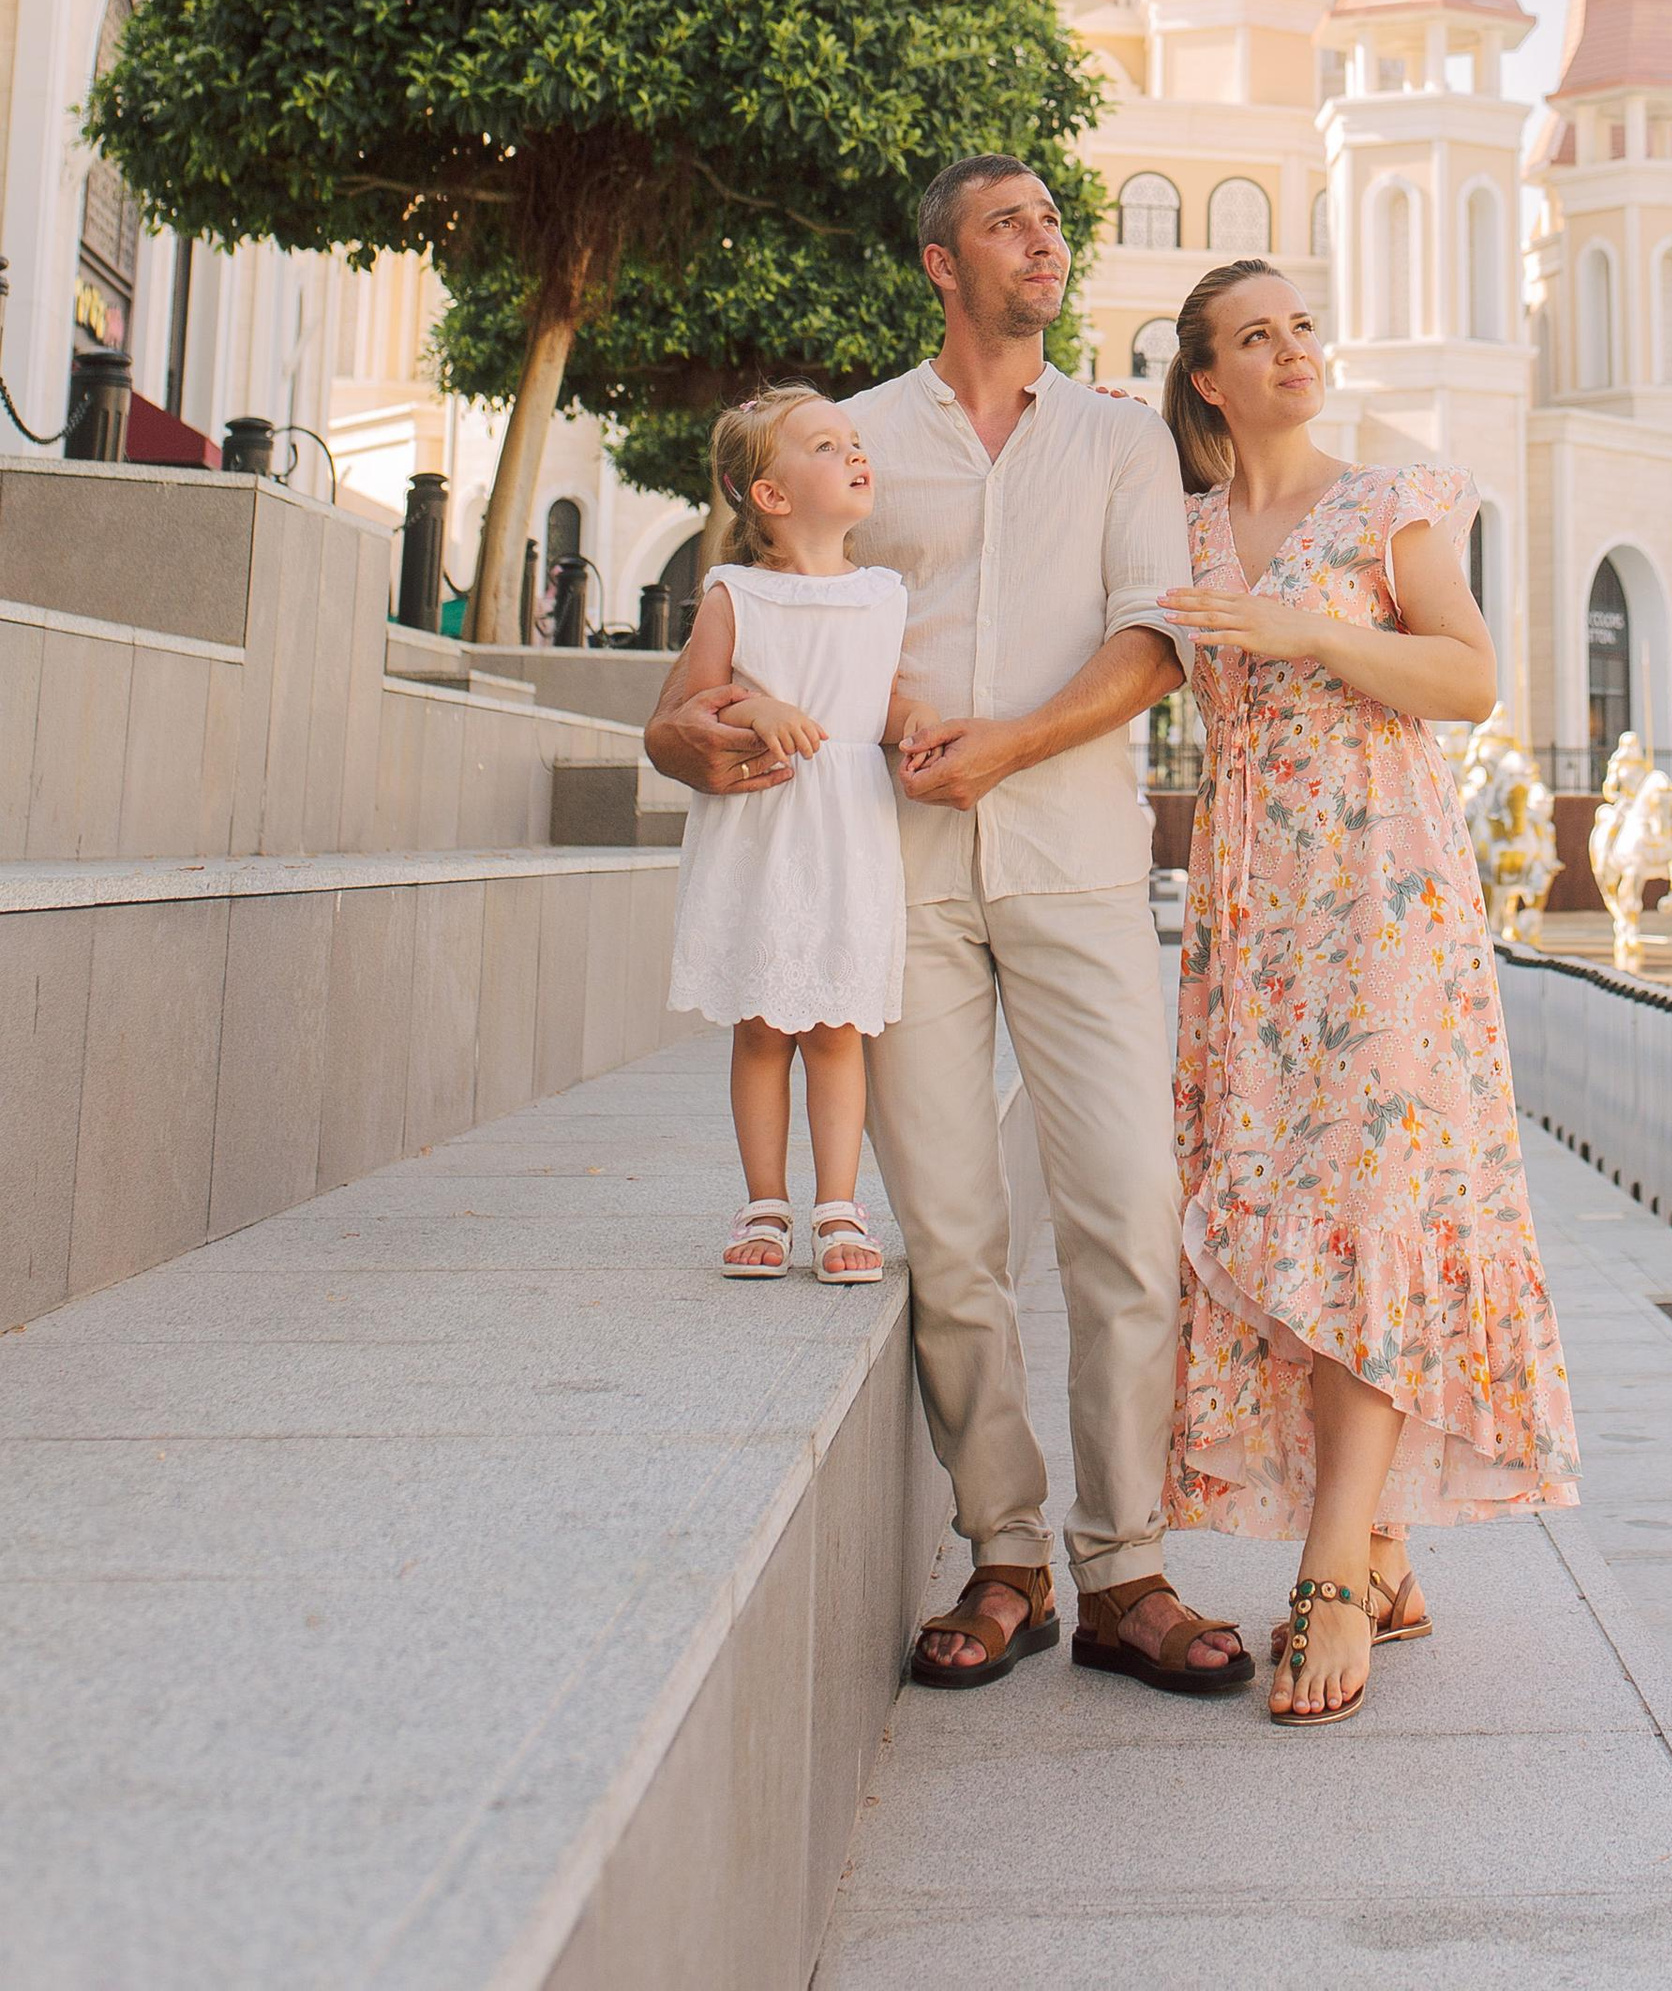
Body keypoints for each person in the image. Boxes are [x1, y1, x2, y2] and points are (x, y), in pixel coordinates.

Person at [647, 156, 1252, 1702]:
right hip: (890, 875)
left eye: (1055, 222)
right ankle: (1008, 1554)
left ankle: (1131, 1568)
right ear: (939, 262)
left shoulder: (1123, 440)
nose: (1046, 241)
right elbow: (780, 631)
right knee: (955, 1237)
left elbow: (1157, 642)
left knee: (1124, 1217)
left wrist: (1010, 744)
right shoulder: (855, 437)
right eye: (1010, 222)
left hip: (1075, 864)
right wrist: (754, 736)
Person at [1153, 258, 1580, 1726]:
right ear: (1208, 379)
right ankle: (1384, 1549)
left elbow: (1470, 682)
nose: (1292, 354)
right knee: (1277, 1200)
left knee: (1373, 1202)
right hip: (1254, 908)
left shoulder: (1387, 503)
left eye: (1302, 330)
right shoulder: (1187, 529)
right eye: (1255, 339)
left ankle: (1333, 1568)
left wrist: (1318, 633)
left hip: (1387, 898)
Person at [659, 387, 907, 1287]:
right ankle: (764, 1198)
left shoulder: (885, 594)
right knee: (764, 1027)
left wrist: (921, 732)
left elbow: (879, 703)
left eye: (854, 441)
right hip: (764, 825)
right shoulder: (735, 594)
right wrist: (755, 704)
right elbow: (691, 705)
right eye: (825, 444)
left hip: (847, 827)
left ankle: (839, 1202)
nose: (854, 453)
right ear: (769, 494)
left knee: (838, 1026)